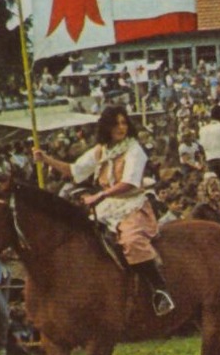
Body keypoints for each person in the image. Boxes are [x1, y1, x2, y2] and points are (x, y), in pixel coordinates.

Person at [35, 105, 174, 315]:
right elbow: (75, 171)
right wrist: (46, 159)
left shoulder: (134, 149)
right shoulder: (101, 150)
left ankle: (160, 290)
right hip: (106, 207)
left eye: (124, 122)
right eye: (116, 123)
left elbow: (130, 182)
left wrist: (100, 195)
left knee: (131, 241)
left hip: (131, 205)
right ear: (106, 126)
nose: (121, 127)